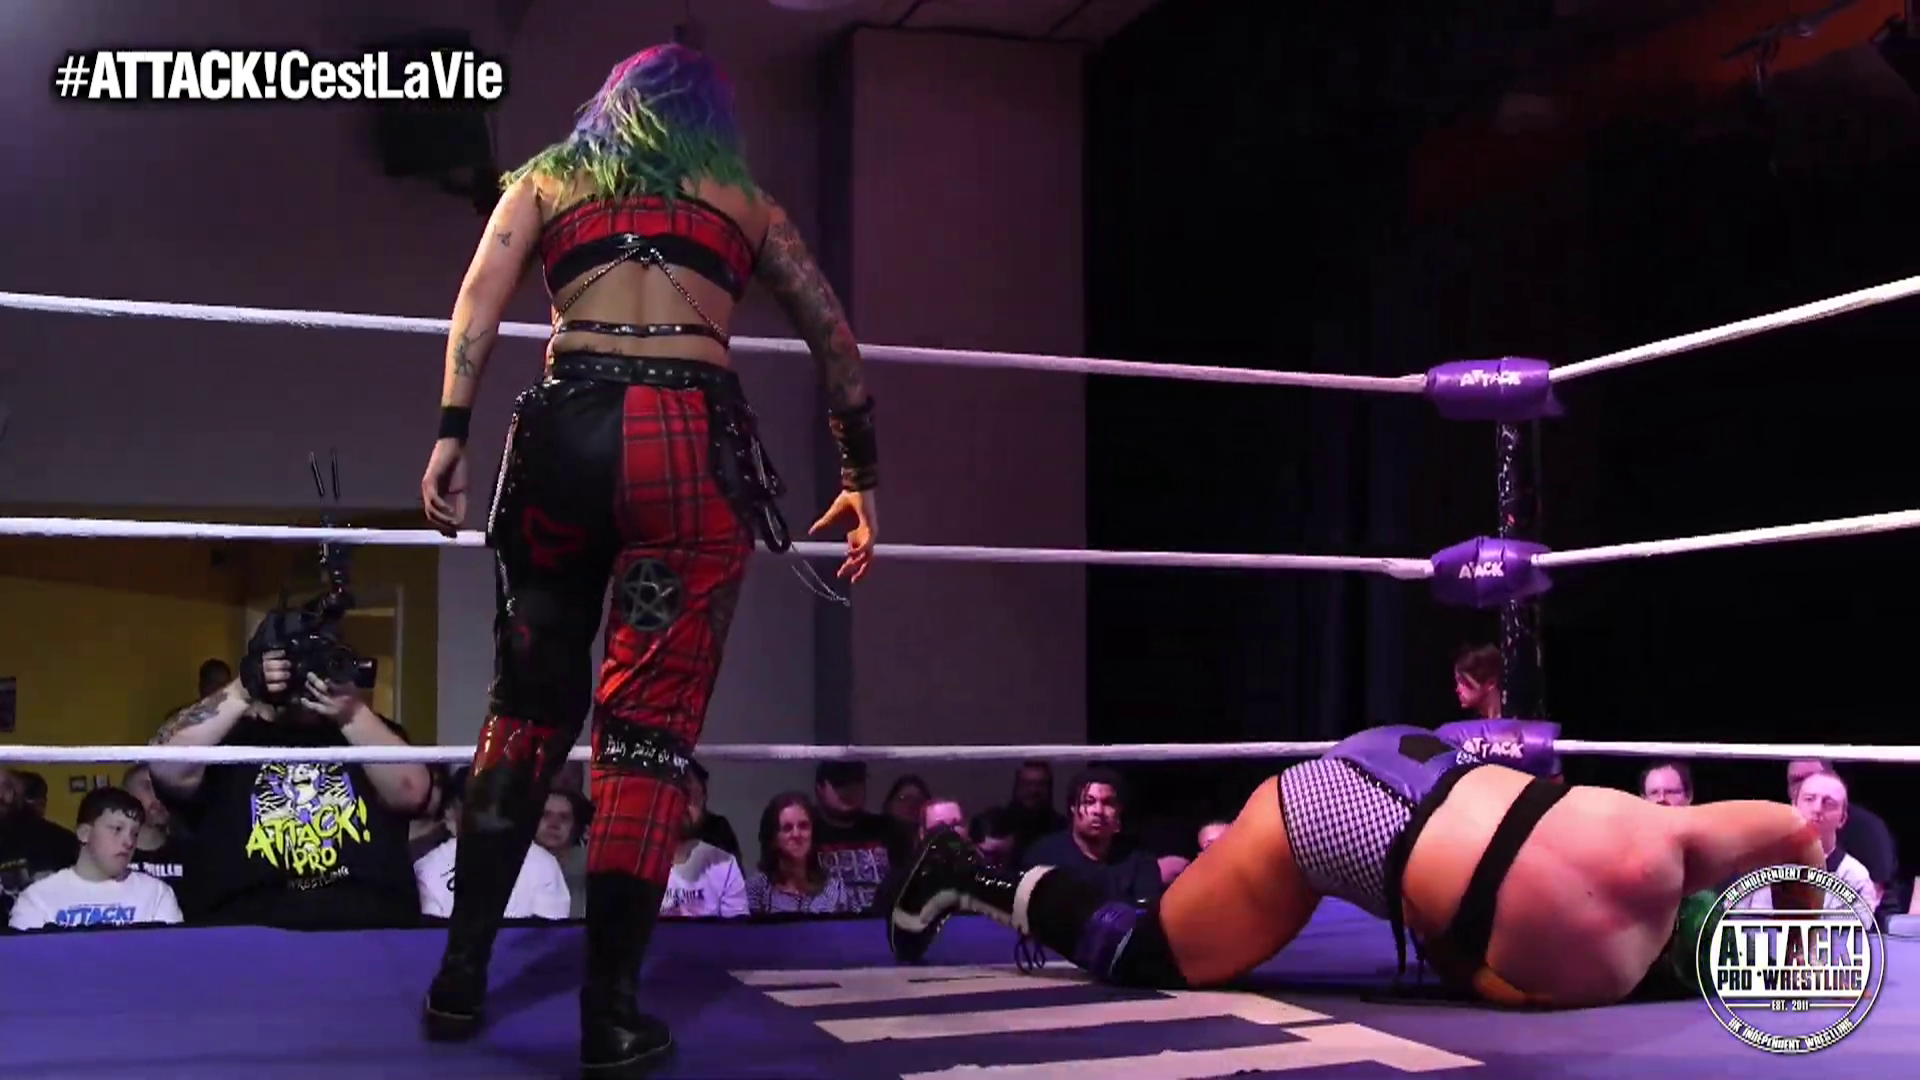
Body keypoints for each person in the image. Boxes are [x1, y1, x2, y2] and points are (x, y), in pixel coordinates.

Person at [416, 43, 880, 1077]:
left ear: (612, 104)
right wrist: (862, 473)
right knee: (647, 732)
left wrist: (450, 434)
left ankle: (457, 980)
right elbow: (836, 342)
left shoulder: (548, 178)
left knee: (524, 708)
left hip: (561, 442)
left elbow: (477, 300)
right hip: (684, 451)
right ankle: (610, 1015)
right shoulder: (745, 203)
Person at [890, 721, 1829, 1008]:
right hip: (1355, 826)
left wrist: (1801, 934)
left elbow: (1798, 832)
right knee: (1150, 954)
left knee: (1172, 938)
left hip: (1420, 760)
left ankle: (970, 875)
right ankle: (970, 877)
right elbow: (1450, 954)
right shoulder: (1592, 978)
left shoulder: (1657, 838)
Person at [8, 787, 183, 931]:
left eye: (135, 833)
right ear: (84, 833)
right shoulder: (37, 898)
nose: (129, 842)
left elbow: (172, 957)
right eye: (117, 829)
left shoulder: (156, 894)